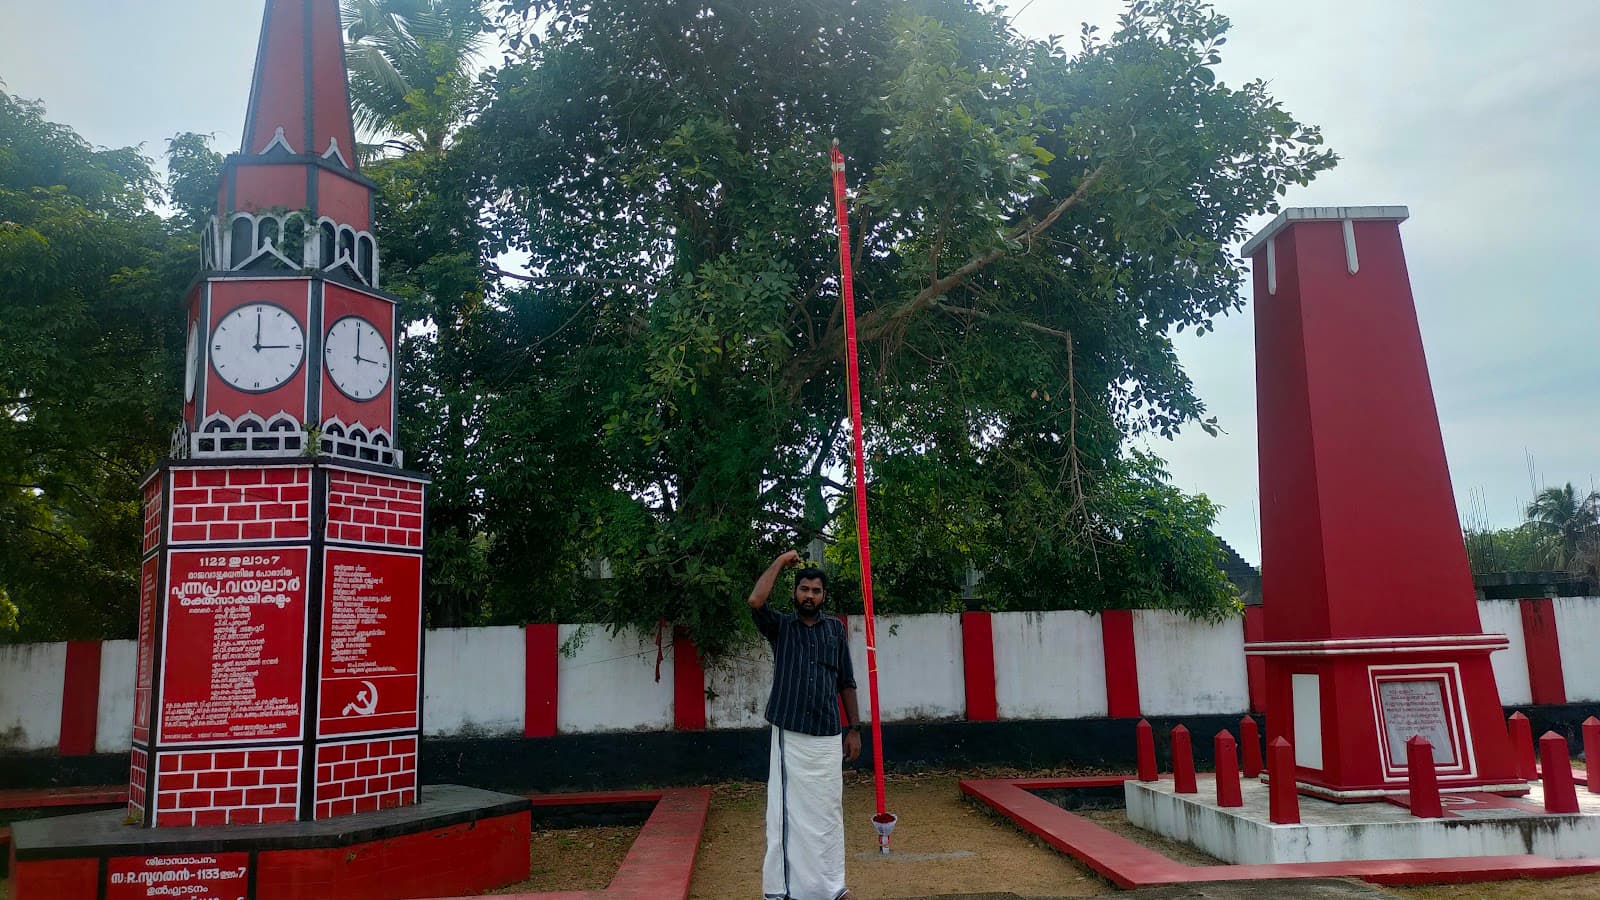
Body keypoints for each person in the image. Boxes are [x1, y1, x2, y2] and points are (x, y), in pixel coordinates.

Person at [748, 549, 862, 900]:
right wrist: (781, 561)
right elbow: (755, 600)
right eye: (804, 589)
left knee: (827, 815)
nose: (809, 595)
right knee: (785, 816)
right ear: (795, 593)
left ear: (823, 596)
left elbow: (846, 681)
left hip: (828, 734)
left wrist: (854, 728)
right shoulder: (781, 627)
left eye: (816, 591)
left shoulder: (835, 630)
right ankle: (781, 890)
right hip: (790, 735)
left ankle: (828, 887)